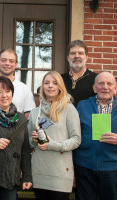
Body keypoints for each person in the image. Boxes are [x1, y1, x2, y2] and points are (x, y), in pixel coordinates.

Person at [73, 72, 117, 200]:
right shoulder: (82, 106)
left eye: (109, 84)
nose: (105, 87)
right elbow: (73, 137)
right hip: (84, 167)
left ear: (115, 88)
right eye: (101, 83)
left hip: (113, 169)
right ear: (94, 88)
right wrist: (72, 169)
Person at [27, 71, 81, 200]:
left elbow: (76, 140)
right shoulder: (35, 112)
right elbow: (29, 142)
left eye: (54, 83)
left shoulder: (69, 109)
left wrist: (53, 145)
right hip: (39, 171)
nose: (50, 86)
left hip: (60, 173)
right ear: (42, 87)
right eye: (47, 83)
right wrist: (33, 140)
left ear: (60, 87)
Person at [61, 40, 97, 107]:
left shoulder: (97, 79)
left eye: (80, 53)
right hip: (63, 117)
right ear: (68, 58)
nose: (77, 56)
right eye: (73, 53)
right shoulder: (59, 79)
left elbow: (104, 104)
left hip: (88, 117)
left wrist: (96, 118)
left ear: (86, 57)